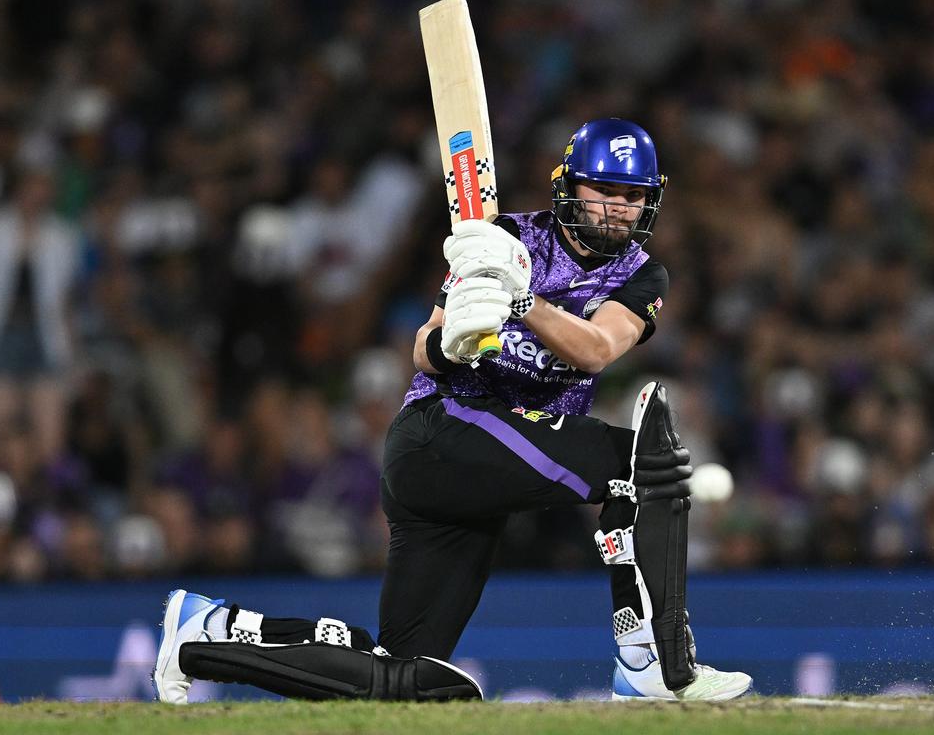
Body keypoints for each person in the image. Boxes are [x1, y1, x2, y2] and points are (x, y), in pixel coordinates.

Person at [152, 118, 753, 703]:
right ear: (569, 186)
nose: (619, 208)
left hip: (484, 474)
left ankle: (206, 634)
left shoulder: (643, 275)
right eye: (605, 191)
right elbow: (425, 351)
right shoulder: (503, 236)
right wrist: (455, 337)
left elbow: (595, 351)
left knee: (402, 676)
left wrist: (520, 300)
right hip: (443, 431)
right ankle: (653, 664)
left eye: (634, 196)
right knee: (639, 461)